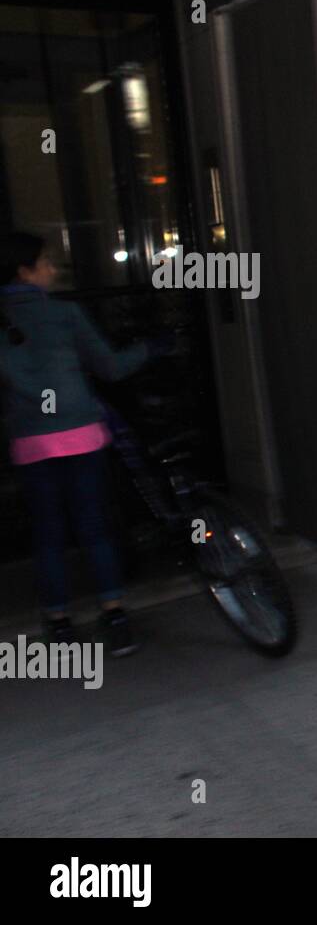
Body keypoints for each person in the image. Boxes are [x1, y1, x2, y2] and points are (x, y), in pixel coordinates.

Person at [0, 231, 170, 655]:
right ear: (25, 270)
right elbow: (111, 368)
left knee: (48, 535)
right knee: (95, 528)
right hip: (82, 437)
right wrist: (152, 348)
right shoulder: (66, 315)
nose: (54, 270)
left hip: (31, 444)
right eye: (46, 262)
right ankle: (114, 618)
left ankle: (58, 625)